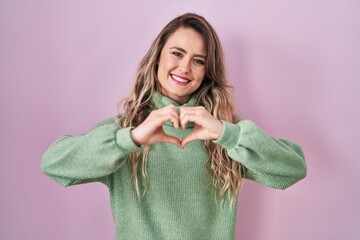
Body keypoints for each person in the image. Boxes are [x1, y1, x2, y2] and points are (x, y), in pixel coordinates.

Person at [41, 13, 307, 240]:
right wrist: (130, 139)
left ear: (206, 72)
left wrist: (226, 134)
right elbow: (54, 164)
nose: (185, 67)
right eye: (177, 53)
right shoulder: (124, 131)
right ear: (157, 57)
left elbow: (292, 169)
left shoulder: (226, 133)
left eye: (198, 60)